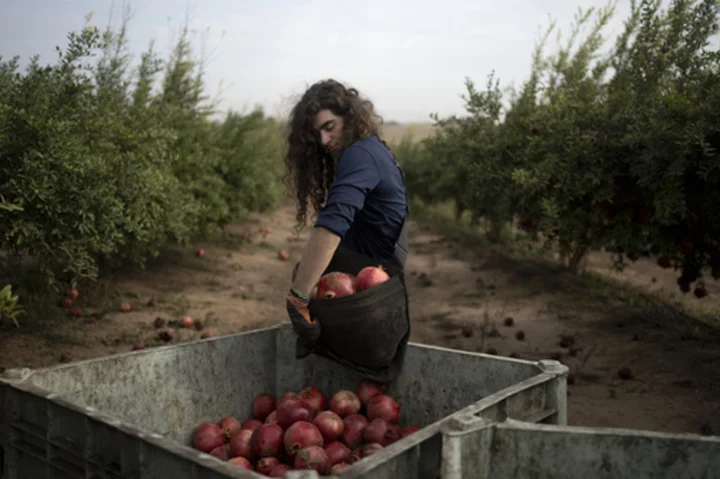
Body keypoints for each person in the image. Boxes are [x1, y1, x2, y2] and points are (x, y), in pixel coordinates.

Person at [283, 79, 410, 380]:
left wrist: (298, 296)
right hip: (365, 283)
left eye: (330, 126)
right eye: (317, 134)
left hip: (365, 294)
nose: (325, 141)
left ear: (349, 117)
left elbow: (333, 223)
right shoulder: (371, 150)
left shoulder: (361, 154)